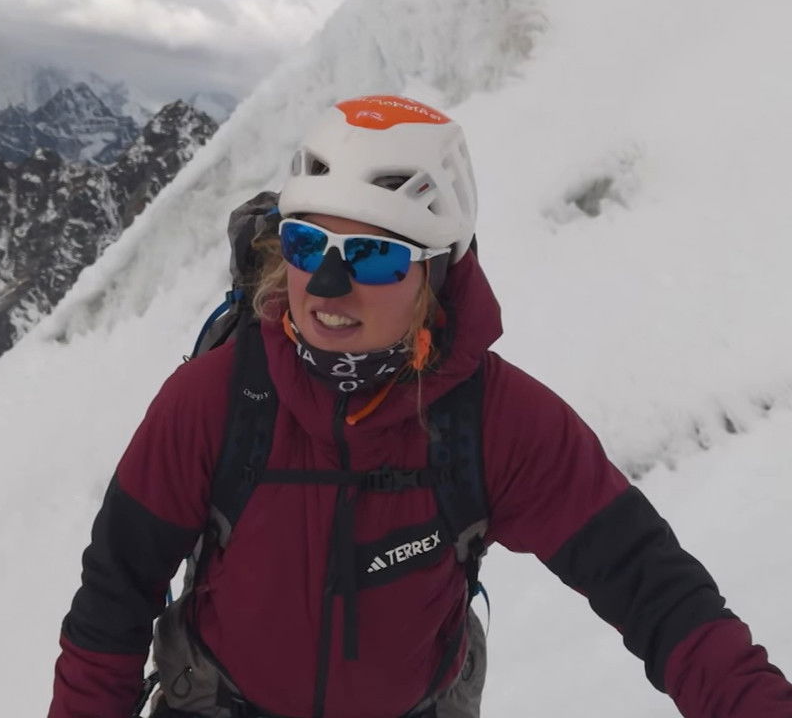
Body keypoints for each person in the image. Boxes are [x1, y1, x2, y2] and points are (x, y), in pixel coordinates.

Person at [47, 95, 792, 718]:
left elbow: (650, 586)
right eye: (307, 245)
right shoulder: (216, 400)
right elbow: (114, 594)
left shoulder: (492, 421)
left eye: (374, 257)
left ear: (437, 275)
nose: (327, 287)